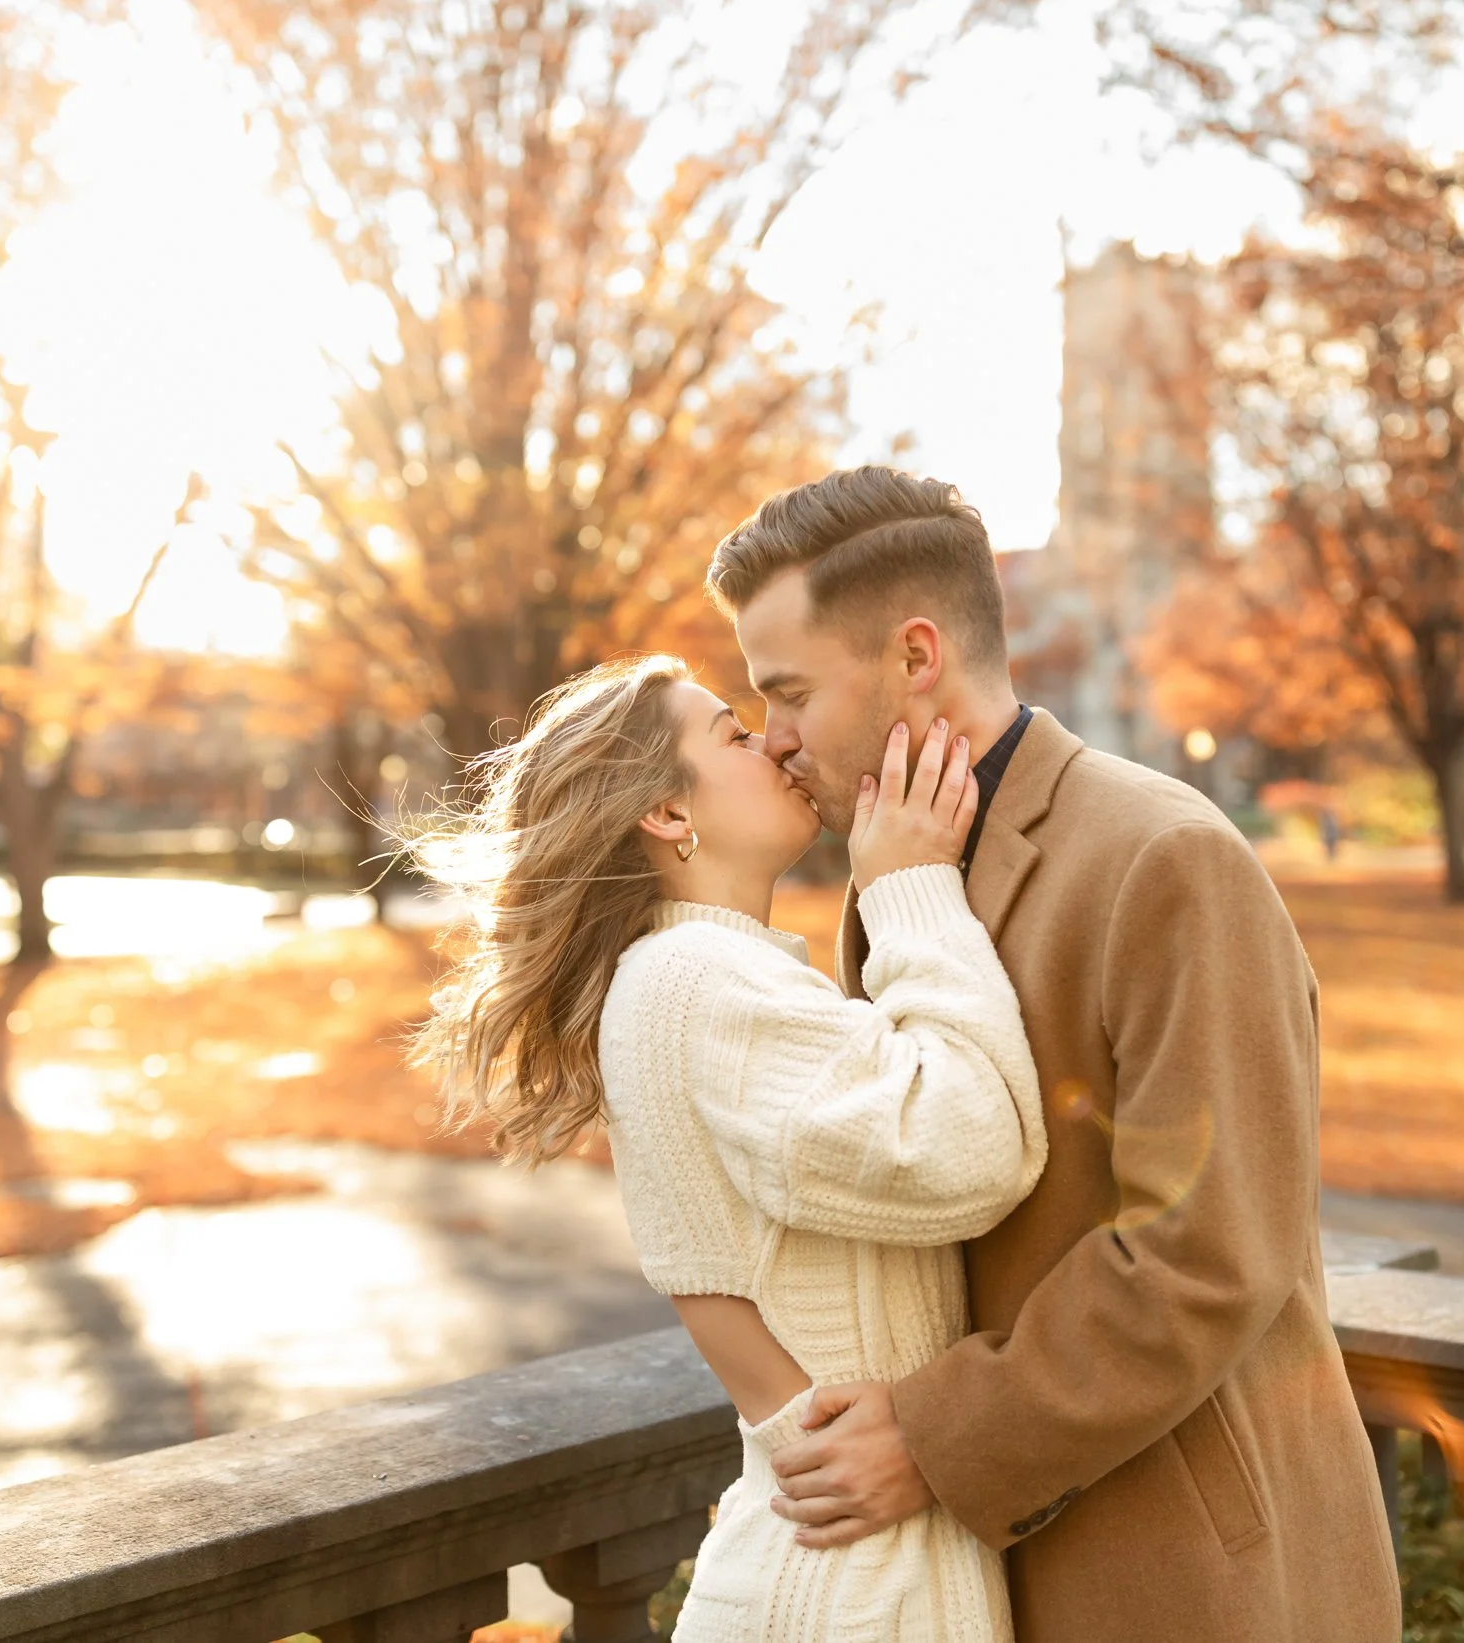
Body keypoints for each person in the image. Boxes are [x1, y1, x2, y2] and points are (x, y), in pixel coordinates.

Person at [708, 464, 1403, 1642]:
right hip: (978, 1576)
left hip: (1187, 1577)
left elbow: (1209, 1250)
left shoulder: (1164, 857)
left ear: (914, 656)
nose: (772, 740)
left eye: (789, 693)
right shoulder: (893, 873)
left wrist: (933, 1434)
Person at [405, 655, 1047, 1642]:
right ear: (667, 811)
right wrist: (913, 889)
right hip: (854, 1591)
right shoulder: (699, 982)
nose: (775, 743)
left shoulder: (692, 978)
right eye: (734, 734)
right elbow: (974, 1149)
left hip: (844, 1560)